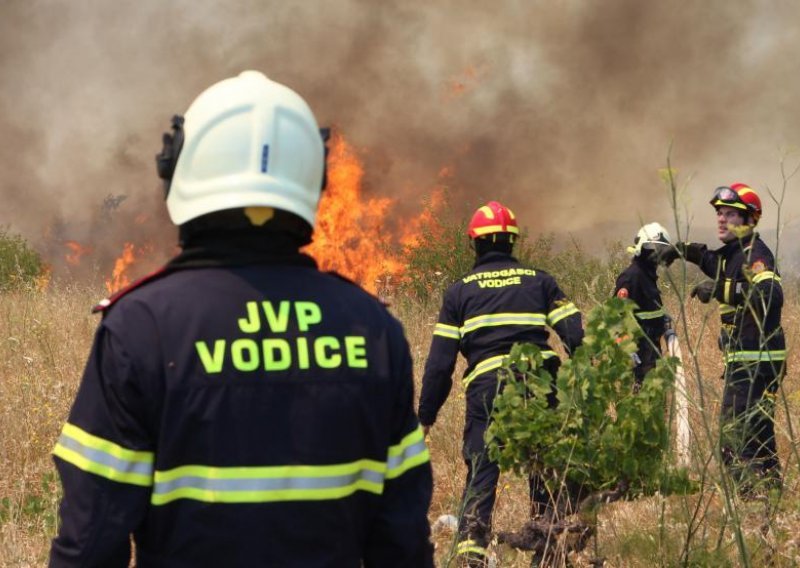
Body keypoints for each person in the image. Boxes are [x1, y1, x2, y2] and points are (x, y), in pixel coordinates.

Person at [49, 70, 434, 567]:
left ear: (179, 170)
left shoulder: (142, 327)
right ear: (312, 179)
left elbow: (91, 541)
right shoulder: (372, 329)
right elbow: (401, 543)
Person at [417, 201, 583, 567]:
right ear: (512, 242)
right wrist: (588, 380)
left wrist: (426, 416)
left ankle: (471, 551)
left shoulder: (459, 292)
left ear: (475, 244)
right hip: (540, 382)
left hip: (488, 389)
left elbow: (440, 365)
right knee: (544, 464)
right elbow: (574, 333)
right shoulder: (540, 280)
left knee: (482, 466)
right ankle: (548, 543)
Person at [660, 183, 786, 494]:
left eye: (730, 213)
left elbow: (770, 294)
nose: (721, 219)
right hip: (746, 364)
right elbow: (710, 260)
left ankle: (754, 509)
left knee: (736, 444)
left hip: (755, 366)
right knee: (759, 442)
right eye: (718, 213)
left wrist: (719, 290)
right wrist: (680, 251)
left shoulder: (755, 255)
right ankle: (773, 509)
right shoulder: (733, 255)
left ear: (749, 220)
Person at [614, 222, 672, 389]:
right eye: (654, 248)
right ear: (642, 248)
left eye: (661, 250)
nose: (658, 255)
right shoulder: (632, 277)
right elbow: (615, 318)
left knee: (656, 402)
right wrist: (628, 350)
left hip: (650, 352)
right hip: (638, 357)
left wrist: (662, 319)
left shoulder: (647, 276)